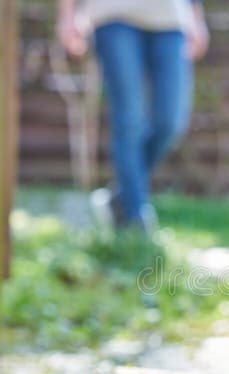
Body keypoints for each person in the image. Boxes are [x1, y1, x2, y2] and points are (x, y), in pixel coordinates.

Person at [57, 0, 209, 231]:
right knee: (128, 120)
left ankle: (121, 195)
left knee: (170, 123)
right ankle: (136, 222)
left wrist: (197, 18)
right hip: (112, 15)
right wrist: (67, 15)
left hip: (172, 18)